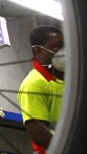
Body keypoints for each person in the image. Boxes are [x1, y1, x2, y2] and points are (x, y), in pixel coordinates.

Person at [17, 25, 65, 154]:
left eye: (65, 46)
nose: (63, 51)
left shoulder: (69, 80)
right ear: (38, 50)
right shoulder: (34, 83)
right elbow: (40, 135)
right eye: (56, 46)